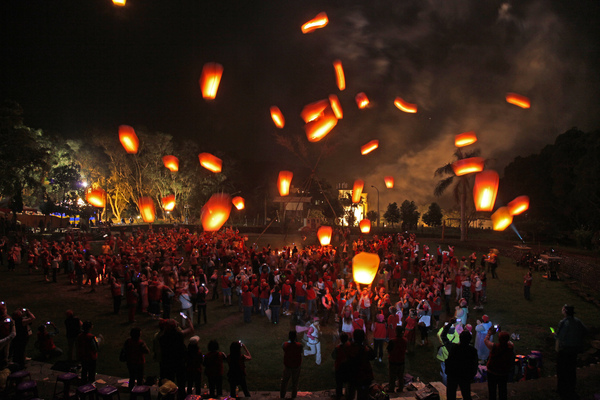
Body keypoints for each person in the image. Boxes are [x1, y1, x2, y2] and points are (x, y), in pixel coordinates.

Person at [555, 304, 587, 399]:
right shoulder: (577, 321)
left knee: (561, 370)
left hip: (565, 350)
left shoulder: (564, 322)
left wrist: (554, 335)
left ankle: (562, 390)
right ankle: (571, 388)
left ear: (565, 311)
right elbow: (585, 331)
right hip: (574, 350)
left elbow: (560, 337)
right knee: (571, 369)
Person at [445, 330, 478, 400]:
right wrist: (472, 375)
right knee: (466, 394)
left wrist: (448, 371)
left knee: (451, 394)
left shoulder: (455, 348)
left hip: (453, 374)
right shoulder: (472, 351)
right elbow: (474, 364)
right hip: (465, 375)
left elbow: (450, 360)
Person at [485, 328, 514, 400]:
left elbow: (486, 341)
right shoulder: (510, 347)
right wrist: (501, 332)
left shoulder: (494, 347)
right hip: (503, 373)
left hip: (492, 372)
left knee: (492, 390)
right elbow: (507, 341)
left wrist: (489, 333)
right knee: (503, 390)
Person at [346, 329, 375, 400]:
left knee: (350, 393)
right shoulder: (365, 349)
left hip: (352, 375)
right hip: (364, 375)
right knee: (363, 395)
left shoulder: (349, 347)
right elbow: (372, 356)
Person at [280, 331, 303, 399]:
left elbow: (284, 347)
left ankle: (282, 396)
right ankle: (293, 396)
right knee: (295, 382)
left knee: (284, 382)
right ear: (295, 337)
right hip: (296, 366)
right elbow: (301, 351)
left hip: (288, 366)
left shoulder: (285, 344)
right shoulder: (299, 345)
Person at [387, 326, 407, 393]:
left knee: (392, 377)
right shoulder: (405, 341)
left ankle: (391, 389)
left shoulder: (393, 341)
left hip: (393, 361)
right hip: (401, 361)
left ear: (396, 332)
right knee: (400, 376)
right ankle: (400, 388)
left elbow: (389, 350)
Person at [0, 303, 16, 369]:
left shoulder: (6, 319)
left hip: (4, 339)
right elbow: (13, 334)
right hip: (3, 340)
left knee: (6, 354)